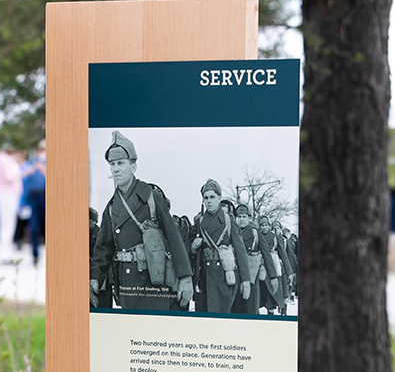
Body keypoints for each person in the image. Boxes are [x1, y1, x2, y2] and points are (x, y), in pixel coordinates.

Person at [90, 131, 192, 311]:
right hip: (127, 288)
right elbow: (103, 248)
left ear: (133, 167)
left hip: (153, 283)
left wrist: (185, 278)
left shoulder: (150, 197)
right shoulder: (111, 207)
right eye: (112, 164)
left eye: (121, 163)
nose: (116, 169)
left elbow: (173, 236)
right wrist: (95, 278)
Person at [190, 181, 251, 313]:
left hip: (224, 275)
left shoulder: (229, 220)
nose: (209, 201)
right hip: (204, 276)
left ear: (219, 198)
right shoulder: (199, 222)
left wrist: (246, 280)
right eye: (206, 198)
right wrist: (193, 247)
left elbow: (240, 251)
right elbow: (190, 249)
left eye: (212, 197)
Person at [234, 203, 279, 315]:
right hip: (235, 275)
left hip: (251, 275)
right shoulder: (232, 231)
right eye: (239, 217)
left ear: (249, 218)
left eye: (244, 217)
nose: (241, 220)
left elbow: (266, 255)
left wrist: (273, 276)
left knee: (250, 307)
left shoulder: (255, 233)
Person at [0, 143, 23, 263]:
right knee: (7, 225)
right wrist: (22, 172)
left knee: (8, 225)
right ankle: (5, 255)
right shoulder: (4, 159)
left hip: (8, 194)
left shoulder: (2, 159)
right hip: (7, 194)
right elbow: (9, 177)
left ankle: (6, 254)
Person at [20, 146, 46, 266]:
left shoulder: (48, 165)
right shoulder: (30, 165)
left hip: (45, 196)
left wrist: (44, 171)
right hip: (33, 198)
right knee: (34, 228)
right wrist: (23, 203)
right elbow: (23, 184)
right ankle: (35, 254)